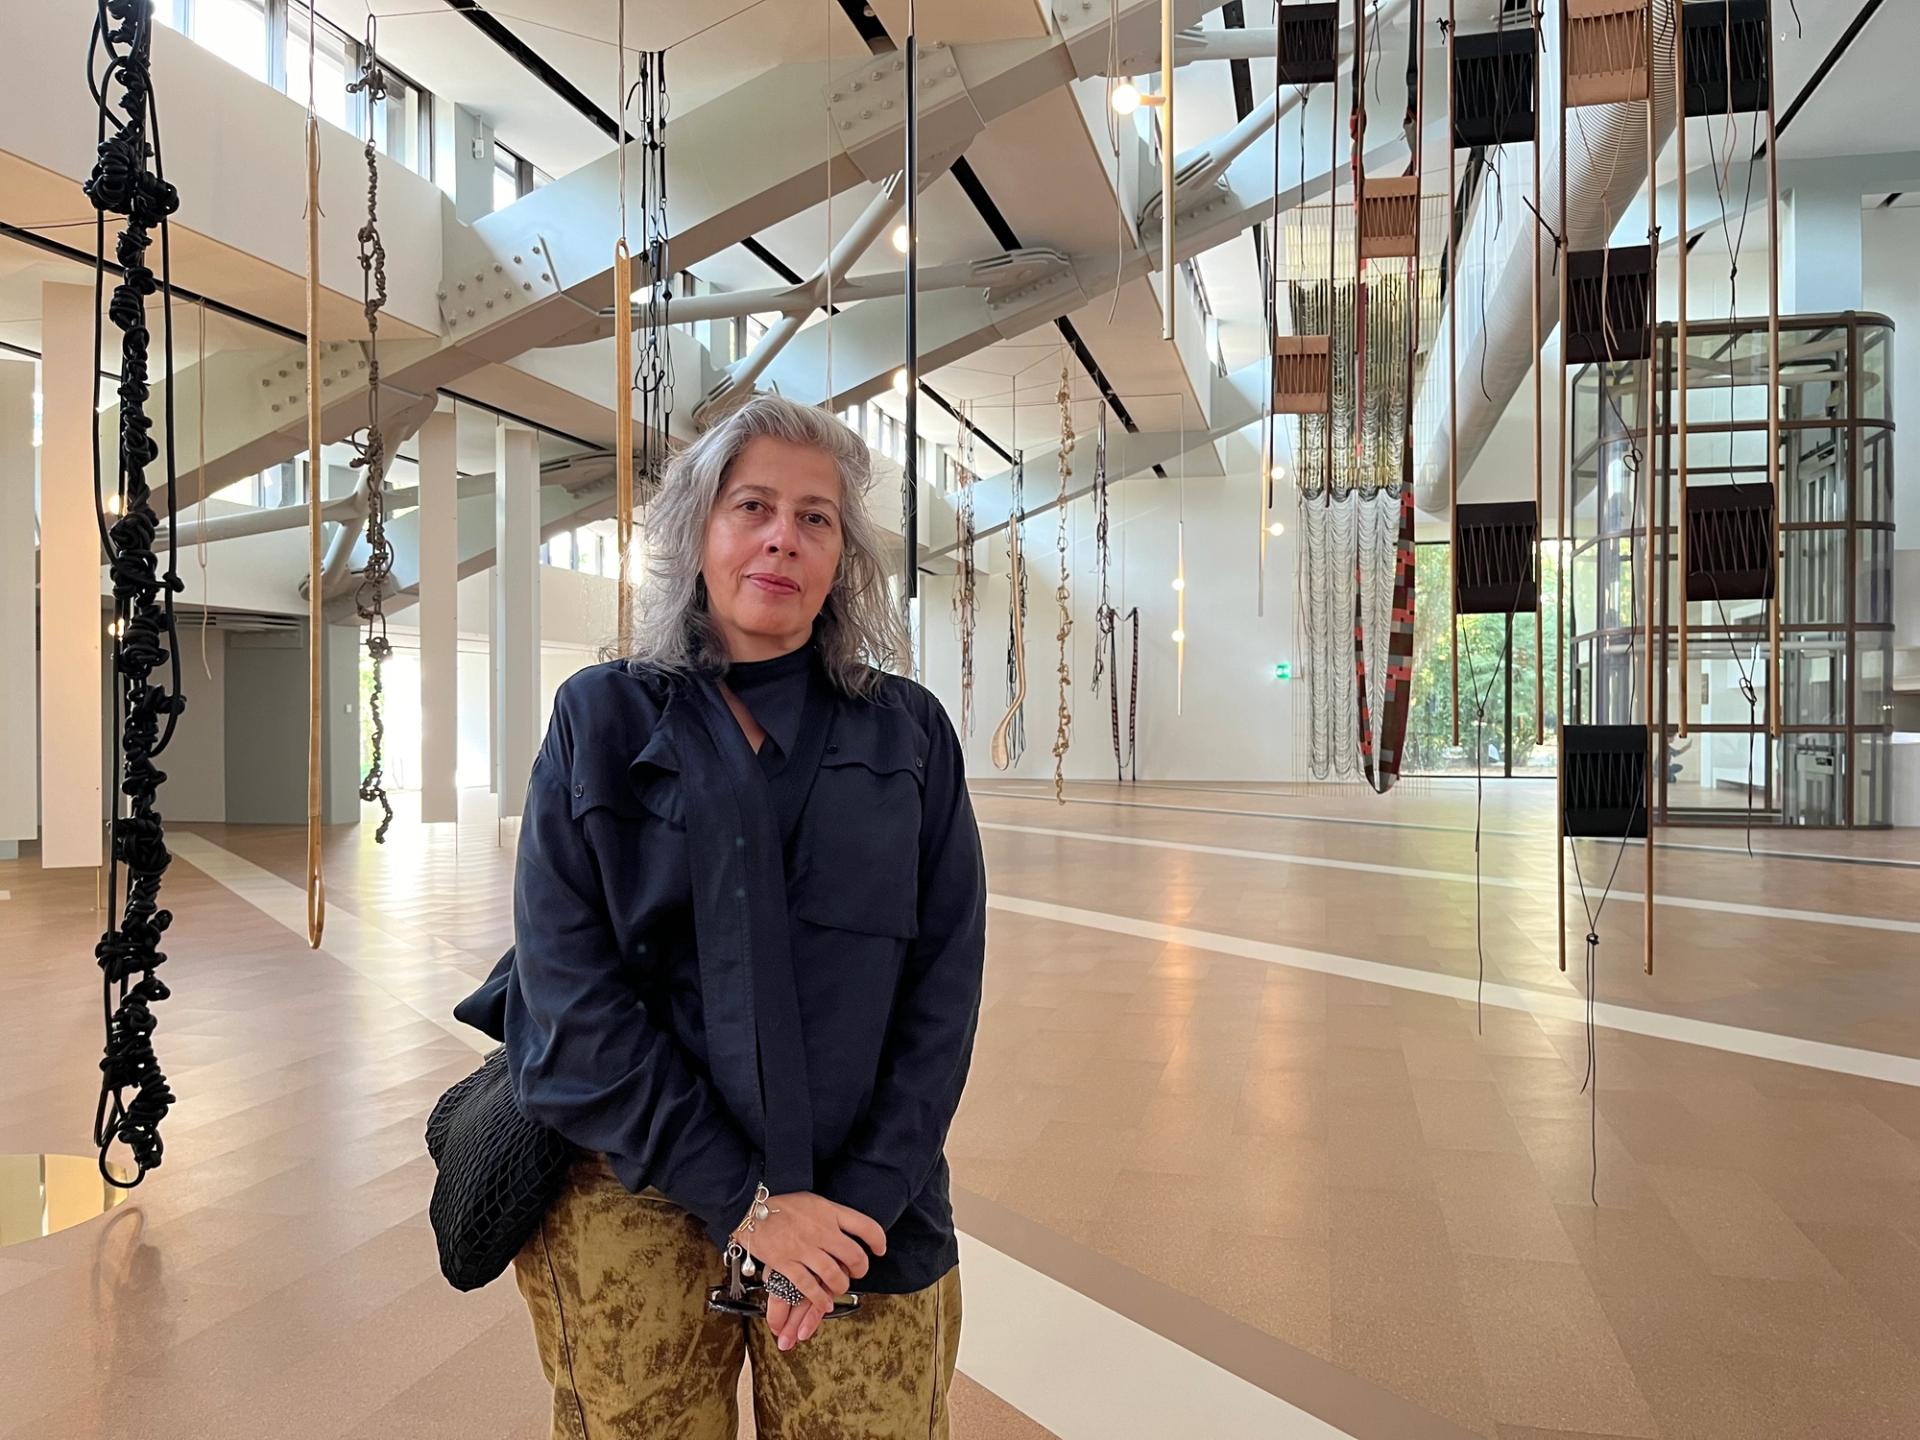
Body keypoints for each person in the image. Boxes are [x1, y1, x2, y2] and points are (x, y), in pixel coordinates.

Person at [463, 394, 986, 1438]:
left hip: (859, 1206)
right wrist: (748, 1203)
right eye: (752, 506)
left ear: (843, 557)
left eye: (815, 517)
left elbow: (942, 995)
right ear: (698, 530)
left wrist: (856, 1205)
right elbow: (569, 999)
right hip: (638, 1185)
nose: (782, 537)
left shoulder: (907, 735)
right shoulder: (603, 718)